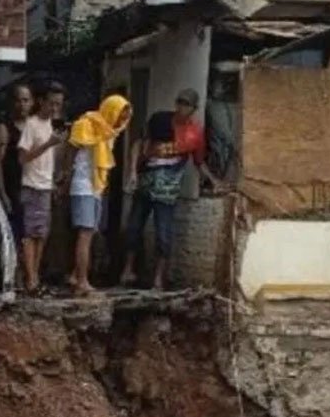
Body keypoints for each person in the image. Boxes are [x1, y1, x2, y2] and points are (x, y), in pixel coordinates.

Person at [121, 88, 222, 290]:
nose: (181, 108)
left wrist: (213, 180)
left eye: (186, 105)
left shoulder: (195, 133)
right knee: (133, 228)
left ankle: (159, 279)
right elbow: (138, 144)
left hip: (168, 187)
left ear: (194, 109)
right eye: (179, 103)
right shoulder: (160, 120)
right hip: (146, 180)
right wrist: (132, 171)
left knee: (164, 233)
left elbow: (198, 162)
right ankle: (128, 270)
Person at [67, 94, 131, 296]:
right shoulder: (86, 125)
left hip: (96, 187)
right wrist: (64, 177)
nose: (122, 121)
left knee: (91, 233)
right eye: (121, 115)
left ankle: (75, 274)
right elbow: (71, 151)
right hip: (83, 185)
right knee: (85, 234)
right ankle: (82, 281)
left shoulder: (110, 132)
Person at [17, 81, 66, 294]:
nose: (55, 108)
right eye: (52, 103)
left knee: (41, 235)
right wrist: (48, 144)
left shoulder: (50, 126)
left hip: (45, 186)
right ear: (42, 102)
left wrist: (55, 180)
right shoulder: (32, 124)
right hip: (31, 186)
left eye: (59, 104)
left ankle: (34, 277)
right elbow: (23, 158)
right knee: (30, 235)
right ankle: (31, 279)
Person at [0, 82, 34, 236]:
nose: (22, 105)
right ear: (12, 103)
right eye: (18, 100)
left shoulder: (36, 126)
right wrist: (3, 194)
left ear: (32, 102)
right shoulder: (5, 129)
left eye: (26, 100)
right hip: (14, 189)